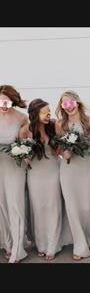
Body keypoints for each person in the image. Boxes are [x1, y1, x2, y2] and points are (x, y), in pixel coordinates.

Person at [55, 90, 90, 261]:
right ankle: (80, 244)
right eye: (64, 104)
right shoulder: (60, 124)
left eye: (71, 103)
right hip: (68, 169)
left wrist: (84, 145)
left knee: (88, 204)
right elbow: (57, 146)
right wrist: (63, 153)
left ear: (77, 103)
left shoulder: (89, 120)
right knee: (73, 206)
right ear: (62, 107)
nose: (68, 107)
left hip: (86, 166)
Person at [19, 98, 63, 261]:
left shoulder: (53, 125)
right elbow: (22, 157)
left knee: (53, 206)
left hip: (53, 170)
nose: (47, 115)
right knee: (38, 209)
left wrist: (59, 149)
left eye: (48, 111)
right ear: (35, 114)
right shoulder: (25, 130)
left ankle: (52, 245)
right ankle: (41, 244)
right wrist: (27, 155)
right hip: (35, 173)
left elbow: (63, 145)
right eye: (43, 112)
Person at [0, 85, 28, 263]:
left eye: (7, 100)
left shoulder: (22, 118)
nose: (4, 104)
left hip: (14, 165)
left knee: (15, 204)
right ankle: (8, 244)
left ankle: (18, 248)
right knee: (1, 206)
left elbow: (25, 145)